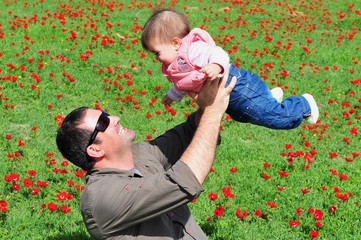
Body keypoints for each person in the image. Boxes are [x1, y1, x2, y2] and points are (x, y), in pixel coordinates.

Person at [56, 72, 236, 239]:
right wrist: (212, 112)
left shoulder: (139, 154)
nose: (115, 118)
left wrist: (207, 102)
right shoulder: (101, 198)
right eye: (103, 122)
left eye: (106, 114)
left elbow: (187, 134)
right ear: (95, 150)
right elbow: (183, 183)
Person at [141, 9, 319, 130]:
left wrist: (215, 65)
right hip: (231, 96)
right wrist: (171, 96)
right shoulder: (176, 64)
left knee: (276, 118)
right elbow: (183, 83)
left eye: (157, 52)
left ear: (175, 43)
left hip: (238, 87)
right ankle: (267, 98)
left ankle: (303, 104)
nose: (157, 58)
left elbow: (218, 53)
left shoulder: (192, 50)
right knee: (242, 115)